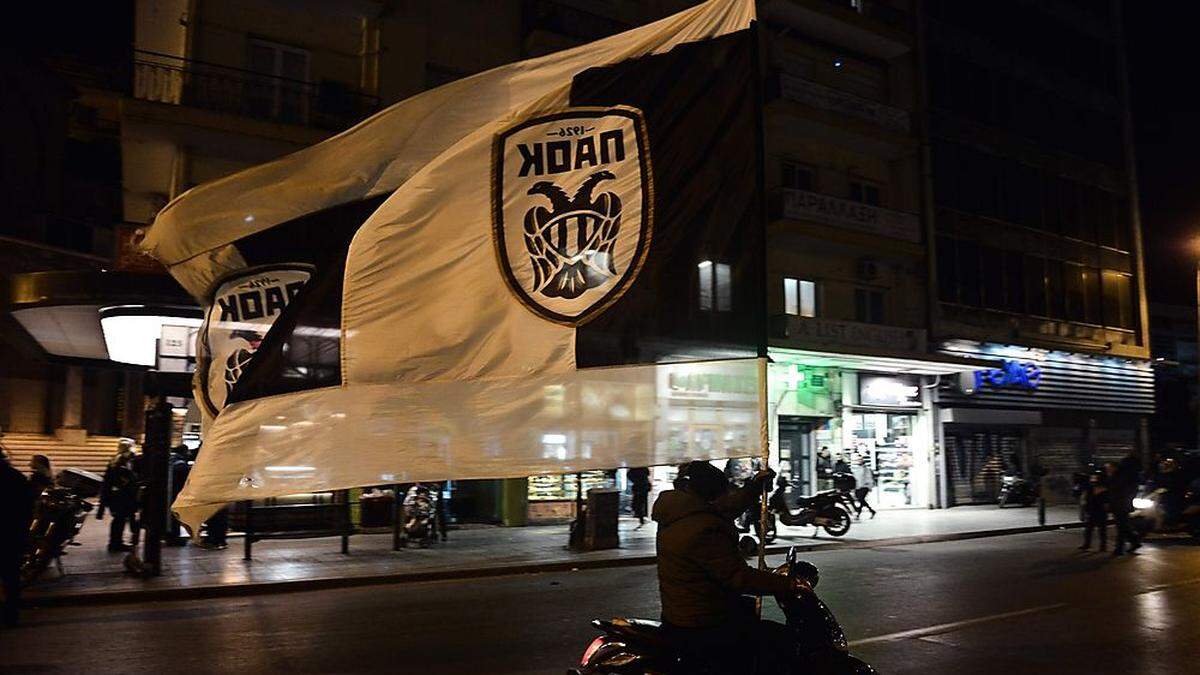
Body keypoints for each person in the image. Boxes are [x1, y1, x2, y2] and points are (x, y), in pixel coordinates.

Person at [653, 460, 805, 674]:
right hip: (703, 622)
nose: (724, 498)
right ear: (710, 494)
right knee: (777, 644)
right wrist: (788, 584)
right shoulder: (700, 530)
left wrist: (753, 487)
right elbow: (738, 577)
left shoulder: (681, 511)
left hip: (685, 612)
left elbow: (723, 510)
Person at [1, 448, 36, 628]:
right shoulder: (18, 478)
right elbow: (28, 511)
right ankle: (11, 614)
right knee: (11, 577)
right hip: (12, 535)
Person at [98, 441, 140, 553]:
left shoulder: (116, 460)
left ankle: (116, 542)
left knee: (119, 519)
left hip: (116, 495)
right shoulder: (121, 461)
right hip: (122, 496)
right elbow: (126, 479)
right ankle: (116, 543)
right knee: (120, 520)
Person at [1108, 454, 1142, 556]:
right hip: (1123, 503)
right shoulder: (1132, 476)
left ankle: (1120, 548)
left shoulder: (1122, 475)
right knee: (1123, 525)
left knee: (1121, 526)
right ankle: (1134, 541)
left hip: (1119, 503)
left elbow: (1116, 489)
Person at [166, 445, 192, 545]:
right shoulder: (181, 465)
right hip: (177, 494)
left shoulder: (171, 461)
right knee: (176, 516)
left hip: (170, 493)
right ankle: (174, 537)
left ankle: (170, 535)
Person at [1079, 469, 1108, 552]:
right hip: (1092, 510)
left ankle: (1103, 546)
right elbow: (1086, 498)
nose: (1093, 479)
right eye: (1092, 477)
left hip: (1100, 511)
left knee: (1102, 529)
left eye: (1095, 478)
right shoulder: (1090, 488)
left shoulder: (1104, 489)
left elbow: (1106, 501)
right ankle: (1087, 544)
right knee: (1088, 529)